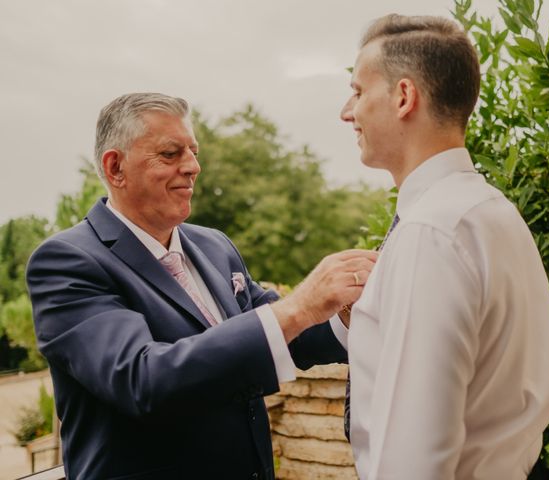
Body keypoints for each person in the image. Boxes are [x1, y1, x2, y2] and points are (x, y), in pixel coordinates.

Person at [26, 92, 377, 480]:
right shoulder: (66, 262)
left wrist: (346, 311)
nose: (193, 167)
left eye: (193, 151)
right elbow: (143, 379)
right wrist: (297, 306)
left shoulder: (213, 244)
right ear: (115, 168)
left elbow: (283, 337)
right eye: (171, 154)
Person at [339, 14, 549, 479]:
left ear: (404, 97)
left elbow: (413, 461)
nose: (348, 111)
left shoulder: (432, 233)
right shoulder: (492, 212)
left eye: (359, 91)